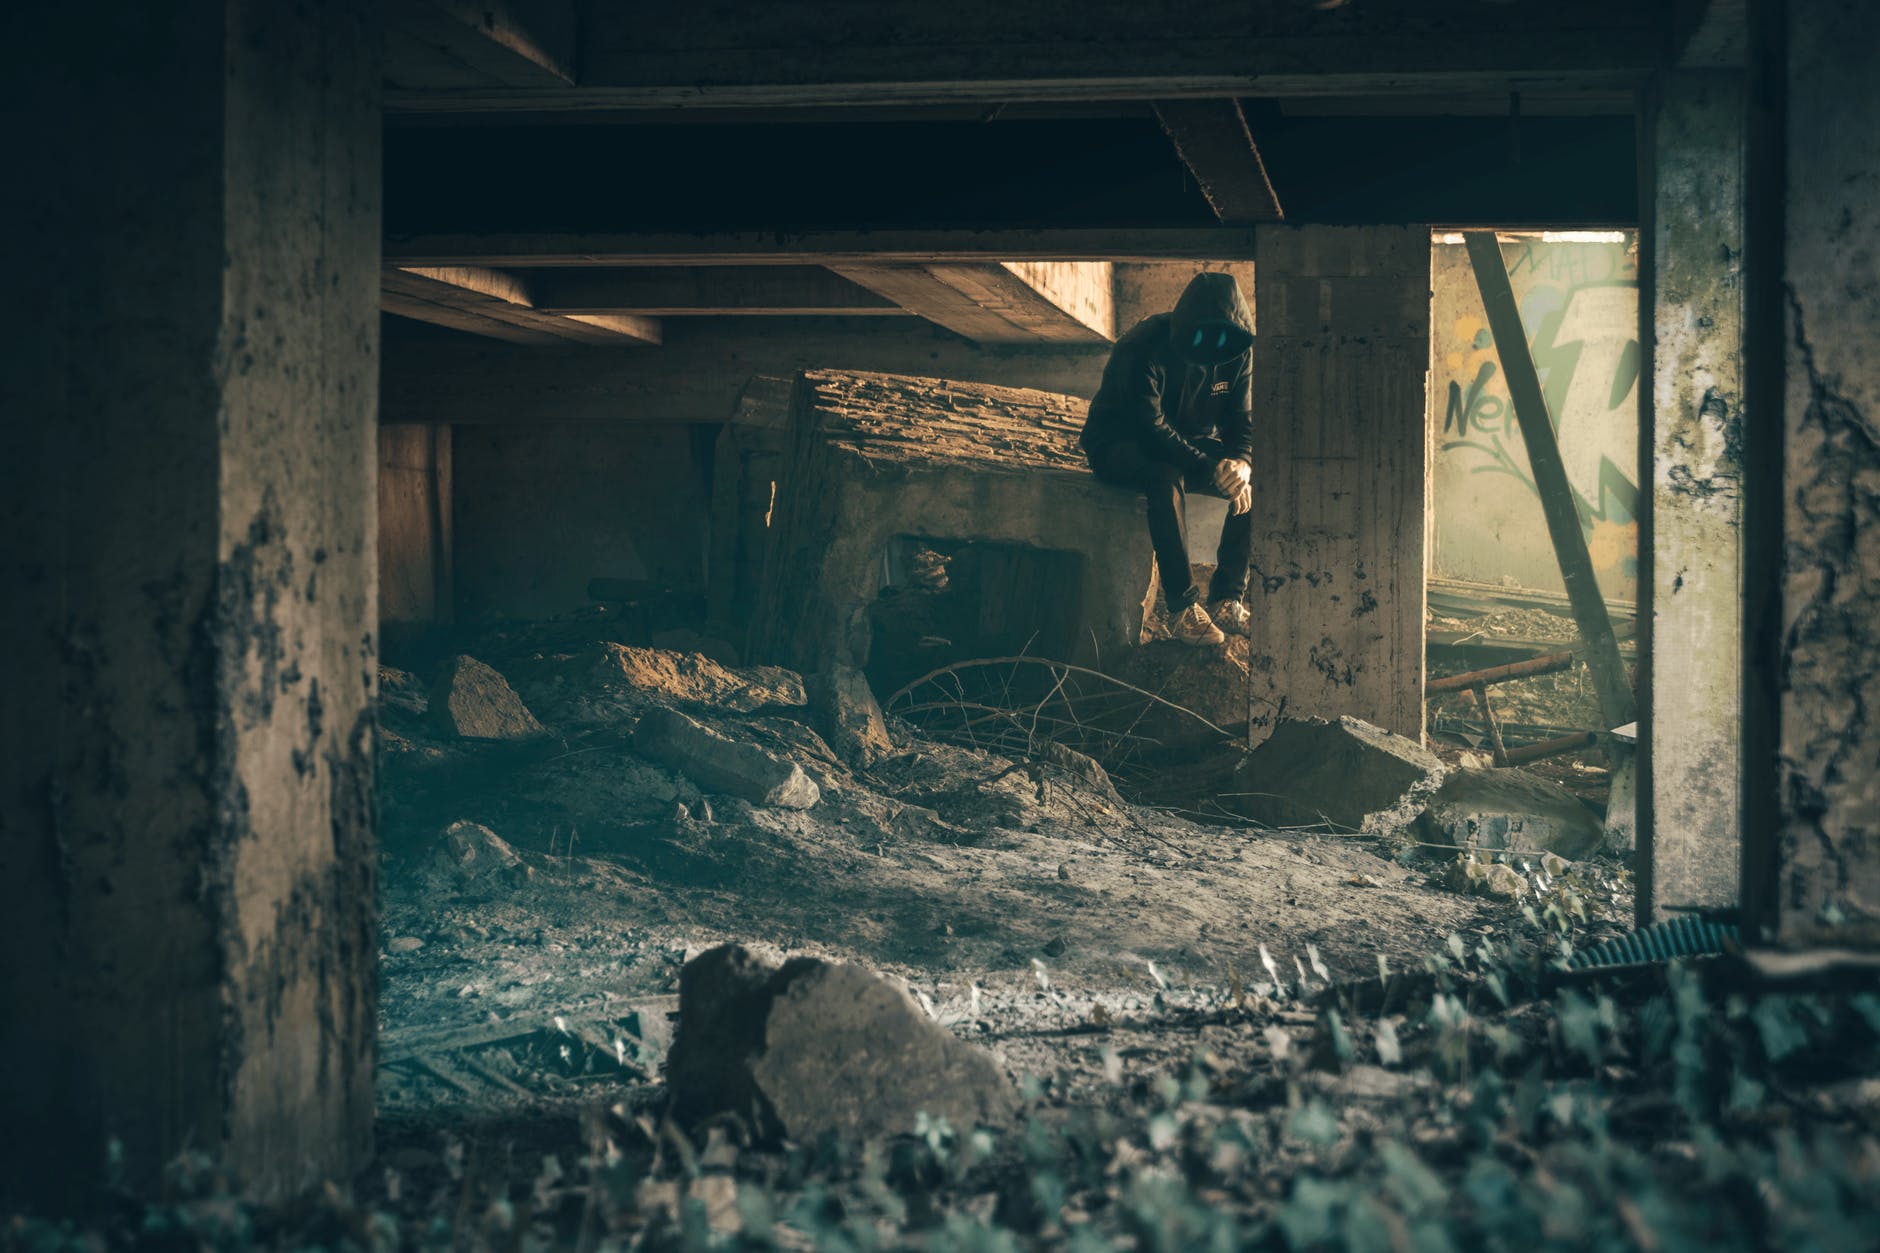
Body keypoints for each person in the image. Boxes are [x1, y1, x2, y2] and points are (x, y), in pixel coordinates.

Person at [1080, 271, 1256, 646]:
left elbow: (1240, 422)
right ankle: (1181, 608)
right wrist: (1210, 466)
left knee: (1255, 482)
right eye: (1200, 337)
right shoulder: (1141, 345)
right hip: (1120, 443)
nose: (1211, 348)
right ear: (1185, 326)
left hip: (1185, 446)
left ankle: (1227, 598)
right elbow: (1151, 429)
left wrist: (1239, 462)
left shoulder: (1239, 353)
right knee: (1165, 475)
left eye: (1222, 339)